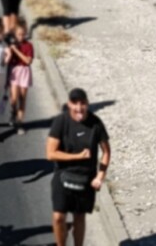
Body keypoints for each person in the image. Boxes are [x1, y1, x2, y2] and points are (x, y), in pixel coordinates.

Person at [47, 88, 112, 246]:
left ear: (87, 104)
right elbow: (50, 153)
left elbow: (106, 152)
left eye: (82, 103)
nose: (79, 108)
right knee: (58, 217)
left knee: (79, 218)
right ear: (69, 104)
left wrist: (100, 177)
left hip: (85, 178)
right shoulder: (61, 122)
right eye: (75, 103)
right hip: (63, 175)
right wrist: (77, 156)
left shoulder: (95, 124)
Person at [6, 20, 34, 132]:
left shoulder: (29, 46)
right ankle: (13, 112)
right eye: (18, 34)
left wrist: (16, 50)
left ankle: (20, 122)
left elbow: (28, 61)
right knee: (13, 98)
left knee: (22, 98)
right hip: (14, 71)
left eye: (23, 34)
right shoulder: (12, 45)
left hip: (24, 71)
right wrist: (10, 50)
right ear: (15, 34)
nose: (21, 37)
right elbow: (7, 60)